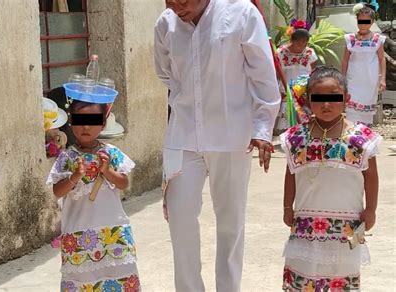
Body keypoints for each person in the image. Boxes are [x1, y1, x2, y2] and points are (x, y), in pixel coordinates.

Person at [154, 0, 281, 291]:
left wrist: (262, 128)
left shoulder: (242, 14)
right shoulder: (165, 24)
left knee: (230, 222)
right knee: (180, 217)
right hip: (183, 135)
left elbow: (262, 74)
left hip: (232, 135)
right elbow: (165, 73)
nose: (176, 6)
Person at [280, 66, 381, 291]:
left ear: (346, 98)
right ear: (308, 100)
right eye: (319, 98)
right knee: (303, 274)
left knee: (341, 276)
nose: (326, 105)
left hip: (346, 224)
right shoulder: (296, 137)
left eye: (334, 98)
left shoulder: (361, 138)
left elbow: (371, 175)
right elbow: (291, 172)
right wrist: (288, 205)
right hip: (306, 221)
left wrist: (371, 209)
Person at [46, 100, 140, 291]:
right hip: (79, 235)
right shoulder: (66, 158)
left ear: (103, 124)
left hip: (113, 234)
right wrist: (75, 176)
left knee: (118, 278)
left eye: (92, 120)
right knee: (83, 280)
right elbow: (57, 191)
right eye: (80, 120)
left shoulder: (111, 153)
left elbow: (123, 183)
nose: (86, 126)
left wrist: (107, 170)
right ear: (71, 122)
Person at [342, 3, 386, 125]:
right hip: (353, 80)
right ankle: (351, 136)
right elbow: (345, 60)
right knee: (351, 109)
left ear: (372, 22)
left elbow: (382, 59)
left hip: (370, 81)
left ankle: (364, 136)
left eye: (367, 22)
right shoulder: (349, 38)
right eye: (360, 21)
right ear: (357, 20)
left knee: (366, 112)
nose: (363, 24)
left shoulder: (378, 39)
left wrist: (382, 79)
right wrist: (343, 77)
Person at [276, 19, 318, 131]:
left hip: (304, 89)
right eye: (299, 42)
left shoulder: (310, 52)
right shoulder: (281, 52)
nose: (302, 45)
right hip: (287, 88)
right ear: (291, 40)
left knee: (304, 116)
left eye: (305, 42)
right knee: (289, 114)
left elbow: (313, 71)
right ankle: (290, 138)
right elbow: (277, 72)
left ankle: (303, 138)